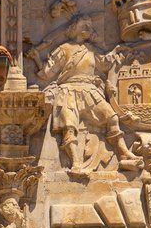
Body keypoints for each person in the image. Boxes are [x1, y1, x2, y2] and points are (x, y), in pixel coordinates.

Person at [30, 15, 141, 175]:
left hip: (90, 91)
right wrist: (36, 58)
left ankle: (124, 153)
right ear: (74, 28)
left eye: (90, 26)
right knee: (69, 127)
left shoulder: (92, 50)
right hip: (68, 91)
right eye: (84, 25)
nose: (88, 28)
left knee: (112, 117)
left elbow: (105, 63)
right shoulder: (64, 49)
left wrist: (117, 52)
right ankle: (76, 163)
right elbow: (47, 73)